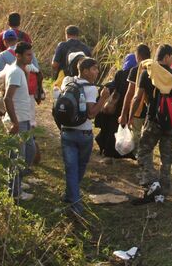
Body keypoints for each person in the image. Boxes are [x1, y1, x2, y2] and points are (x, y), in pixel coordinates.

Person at [129, 44, 172, 204]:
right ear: (167, 56)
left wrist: (130, 116)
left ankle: (152, 182)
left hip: (153, 120)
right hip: (170, 122)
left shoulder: (147, 73)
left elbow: (137, 98)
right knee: (166, 157)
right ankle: (162, 194)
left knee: (143, 151)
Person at [59, 57, 108, 214]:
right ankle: (76, 205)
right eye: (94, 69)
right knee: (78, 168)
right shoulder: (91, 89)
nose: (97, 72)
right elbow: (91, 114)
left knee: (71, 168)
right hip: (83, 134)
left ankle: (70, 195)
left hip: (66, 131)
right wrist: (104, 98)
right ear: (85, 71)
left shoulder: (68, 81)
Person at [3, 42, 37, 201]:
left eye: (31, 54)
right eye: (28, 55)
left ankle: (17, 183)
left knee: (29, 152)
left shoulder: (21, 70)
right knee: (17, 158)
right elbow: (7, 98)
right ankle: (14, 193)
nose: (31, 57)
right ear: (18, 55)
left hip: (25, 120)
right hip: (18, 121)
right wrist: (15, 123)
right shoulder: (16, 72)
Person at [94, 54, 137, 159]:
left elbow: (114, 88)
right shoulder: (137, 74)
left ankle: (108, 152)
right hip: (127, 108)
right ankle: (122, 152)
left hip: (115, 108)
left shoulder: (120, 74)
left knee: (110, 129)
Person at [119, 44, 151, 158]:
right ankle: (145, 156)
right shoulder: (155, 70)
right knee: (148, 135)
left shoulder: (136, 71)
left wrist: (124, 114)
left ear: (138, 56)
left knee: (136, 133)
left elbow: (130, 93)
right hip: (152, 108)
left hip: (138, 108)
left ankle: (138, 156)